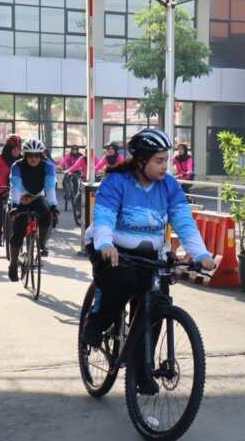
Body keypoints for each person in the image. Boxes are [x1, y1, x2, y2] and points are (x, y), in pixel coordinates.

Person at [82, 128, 215, 394]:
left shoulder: (169, 186)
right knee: (121, 283)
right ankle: (96, 324)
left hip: (150, 254)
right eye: (158, 161)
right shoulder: (116, 181)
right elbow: (105, 215)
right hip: (112, 247)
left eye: (166, 160)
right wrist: (106, 243)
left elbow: (184, 221)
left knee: (156, 302)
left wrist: (201, 254)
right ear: (141, 160)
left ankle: (141, 370)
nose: (164, 166)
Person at [7, 138, 58, 281]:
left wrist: (53, 205)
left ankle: (41, 244)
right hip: (21, 199)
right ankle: (13, 264)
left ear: (41, 155)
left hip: (37, 197)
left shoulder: (48, 166)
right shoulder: (17, 166)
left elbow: (49, 188)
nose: (33, 159)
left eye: (37, 155)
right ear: (25, 155)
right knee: (18, 232)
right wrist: (15, 206)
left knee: (47, 214)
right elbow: (15, 187)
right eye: (30, 155)